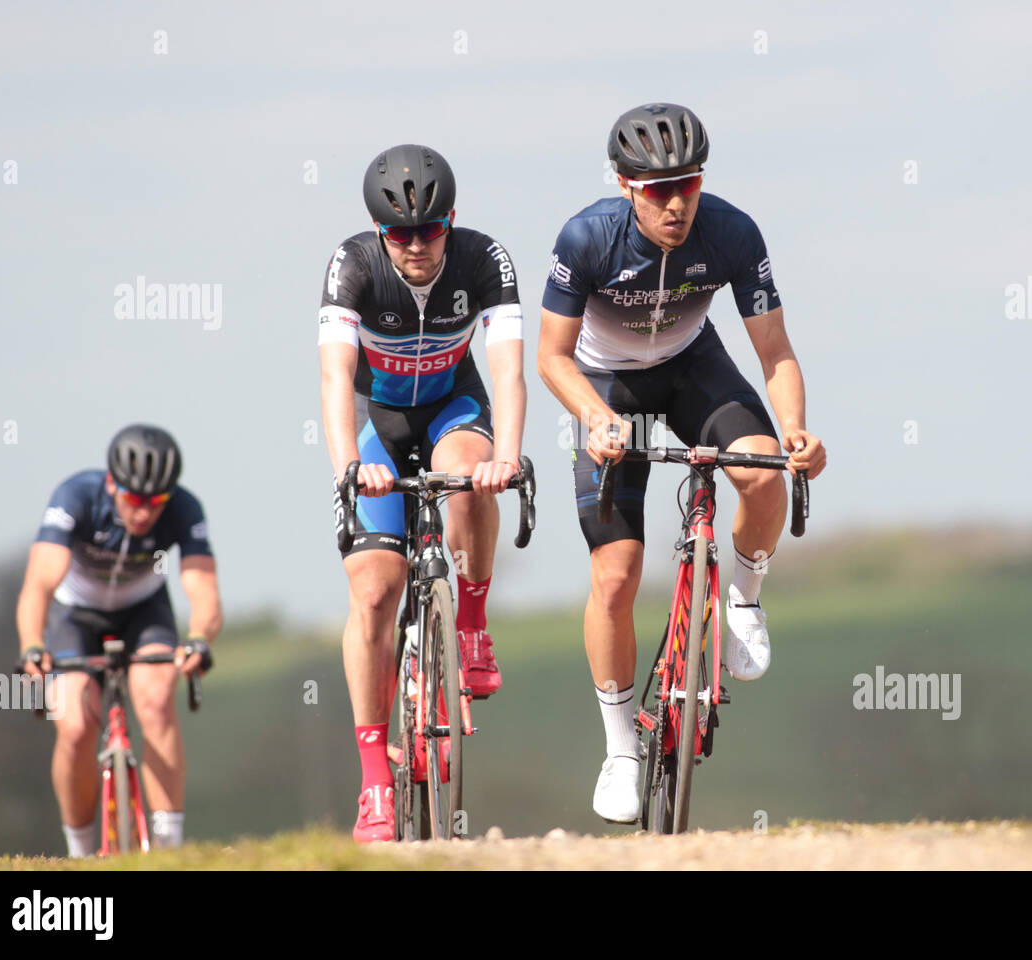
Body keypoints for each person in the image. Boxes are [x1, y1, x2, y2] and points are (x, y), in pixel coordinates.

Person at [537, 103, 827, 823]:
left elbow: (776, 353)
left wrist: (793, 430)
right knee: (616, 574)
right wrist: (597, 419)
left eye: (688, 185)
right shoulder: (586, 238)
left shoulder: (731, 231)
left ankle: (745, 598)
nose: (676, 203)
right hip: (609, 387)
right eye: (657, 189)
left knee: (762, 474)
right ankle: (620, 748)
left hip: (693, 367)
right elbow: (551, 357)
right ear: (625, 186)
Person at [318, 144, 526, 842]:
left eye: (428, 230)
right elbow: (333, 378)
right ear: (381, 234)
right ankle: (376, 779)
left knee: (471, 475)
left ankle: (470, 624)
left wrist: (512, 457)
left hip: (451, 410)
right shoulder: (353, 265)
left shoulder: (483, 260)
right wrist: (351, 466)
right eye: (400, 234)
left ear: (451, 222)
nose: (415, 245)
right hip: (378, 426)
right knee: (375, 592)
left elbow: (508, 372)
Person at [16, 424, 220, 856]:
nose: (145, 512)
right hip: (75, 614)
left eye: (156, 501)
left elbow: (203, 589)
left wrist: (199, 639)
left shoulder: (185, 508)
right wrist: (32, 645)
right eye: (134, 499)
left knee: (156, 700)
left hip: (144, 610)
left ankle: (168, 851)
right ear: (112, 484)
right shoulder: (75, 497)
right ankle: (81, 852)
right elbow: (38, 584)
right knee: (74, 726)